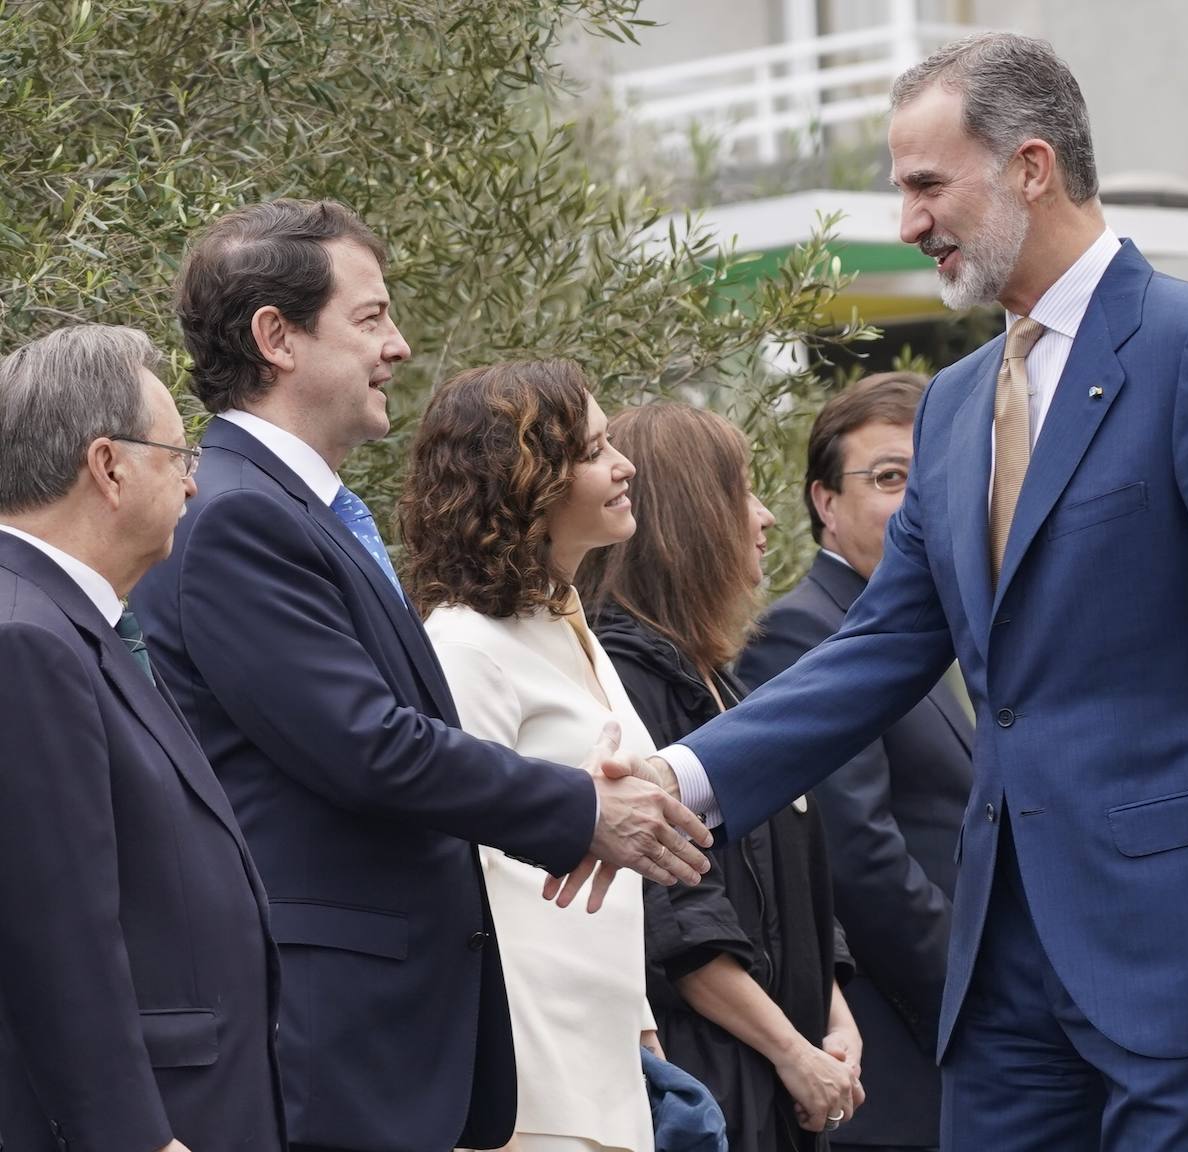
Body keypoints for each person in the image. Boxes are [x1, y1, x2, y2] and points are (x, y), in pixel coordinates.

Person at [562, 33, 1188, 1152]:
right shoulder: (949, 409)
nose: (908, 221)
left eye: (927, 184)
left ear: (1031, 166)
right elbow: (873, 652)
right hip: (1005, 980)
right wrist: (677, 778)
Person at [131, 199, 710, 1152]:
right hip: (329, 1033)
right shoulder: (241, 518)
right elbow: (368, 746)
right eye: (370, 318)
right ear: (276, 337)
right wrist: (580, 811)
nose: (398, 346)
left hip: (390, 1032)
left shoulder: (300, 514)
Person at [0, 325, 285, 1152]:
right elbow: (56, 936)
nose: (194, 486)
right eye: (178, 456)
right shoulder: (27, 640)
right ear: (109, 466)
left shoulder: (63, 625)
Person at [579, 402, 864, 1152]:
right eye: (742, 493)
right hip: (715, 1077)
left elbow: (801, 889)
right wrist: (792, 1051)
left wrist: (834, 1020)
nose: (766, 518)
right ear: (688, 518)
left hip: (783, 1075)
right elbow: (677, 914)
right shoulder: (624, 686)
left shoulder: (724, 687)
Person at [397, 360, 658, 1152]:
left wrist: (640, 1024)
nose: (624, 465)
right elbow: (457, 863)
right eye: (592, 451)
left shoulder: (569, 618)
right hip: (530, 1067)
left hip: (605, 1040)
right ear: (524, 485)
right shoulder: (464, 644)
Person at [737, 372, 973, 1152]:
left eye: (931, 476)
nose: (917, 499)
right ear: (825, 503)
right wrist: (983, 999)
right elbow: (859, 854)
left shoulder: (925, 633)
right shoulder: (806, 635)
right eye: (890, 478)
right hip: (896, 1060)